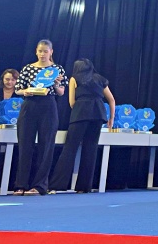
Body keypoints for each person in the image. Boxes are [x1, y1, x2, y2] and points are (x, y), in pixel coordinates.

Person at [48, 59, 115, 194]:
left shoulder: (74, 78)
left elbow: (72, 102)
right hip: (98, 114)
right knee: (90, 149)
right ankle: (84, 187)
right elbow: (111, 100)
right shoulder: (100, 79)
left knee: (70, 149)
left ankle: (57, 185)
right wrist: (111, 118)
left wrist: (80, 107)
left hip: (80, 113)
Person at [13, 40, 67, 195]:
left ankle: (39, 185)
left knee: (46, 146)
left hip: (48, 105)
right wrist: (25, 91)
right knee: (25, 145)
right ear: (36, 51)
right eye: (40, 51)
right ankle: (21, 185)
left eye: (45, 51)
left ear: (51, 52)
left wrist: (56, 85)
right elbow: (17, 89)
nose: (42, 54)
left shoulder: (57, 69)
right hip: (29, 104)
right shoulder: (28, 68)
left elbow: (61, 92)